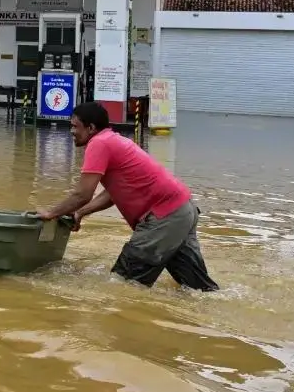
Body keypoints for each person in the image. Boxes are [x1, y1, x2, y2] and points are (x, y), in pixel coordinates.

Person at [38, 102, 219, 291]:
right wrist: (80, 213)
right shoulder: (114, 140)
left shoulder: (98, 144)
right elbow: (112, 194)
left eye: (75, 126)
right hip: (183, 211)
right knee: (199, 290)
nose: (71, 131)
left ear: (91, 128)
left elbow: (82, 194)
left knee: (122, 285)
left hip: (164, 217)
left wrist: (51, 213)